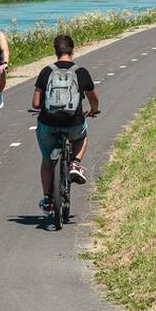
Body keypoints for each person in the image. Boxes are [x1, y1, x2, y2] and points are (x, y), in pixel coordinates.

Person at [31, 34, 99, 213]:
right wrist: (93, 109)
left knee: (47, 158)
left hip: (48, 123)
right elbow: (94, 98)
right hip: (73, 123)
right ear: (72, 50)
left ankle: (47, 199)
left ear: (55, 52)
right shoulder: (81, 72)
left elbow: (35, 104)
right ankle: (75, 163)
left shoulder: (46, 71)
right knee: (83, 136)